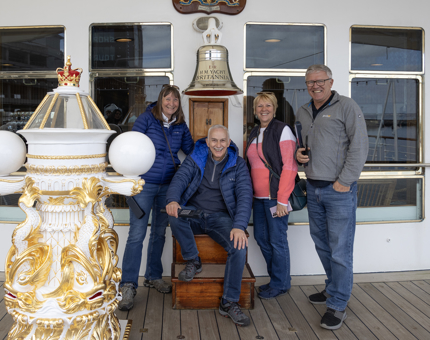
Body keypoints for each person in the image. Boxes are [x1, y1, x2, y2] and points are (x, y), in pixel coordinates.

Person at [296, 64, 368, 330]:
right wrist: (298, 155)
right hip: (313, 188)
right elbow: (301, 144)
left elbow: (359, 147)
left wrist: (344, 182)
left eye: (319, 81)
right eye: (310, 82)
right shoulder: (303, 110)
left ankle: (338, 303)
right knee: (322, 245)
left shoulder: (347, 107)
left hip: (338, 191)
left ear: (330, 81)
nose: (315, 86)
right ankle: (332, 287)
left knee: (340, 250)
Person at [166, 125, 253, 327]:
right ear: (207, 141)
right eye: (214, 140)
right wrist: (172, 199)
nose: (218, 144)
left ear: (229, 142)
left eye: (223, 140)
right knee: (173, 214)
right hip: (195, 213)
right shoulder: (196, 158)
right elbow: (180, 178)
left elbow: (245, 196)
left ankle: (229, 301)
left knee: (239, 247)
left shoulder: (238, 164)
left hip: (221, 219)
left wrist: (239, 226)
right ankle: (193, 260)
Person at [119, 84, 194, 311]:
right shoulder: (146, 119)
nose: (171, 103)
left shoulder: (180, 125)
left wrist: (216, 147)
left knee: (159, 232)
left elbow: (191, 150)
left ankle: (153, 275)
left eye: (175, 100)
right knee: (136, 235)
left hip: (168, 187)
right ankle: (129, 285)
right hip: (144, 184)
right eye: (167, 99)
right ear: (161, 99)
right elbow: (130, 147)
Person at [245, 92, 298, 300]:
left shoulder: (282, 130)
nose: (263, 109)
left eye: (268, 105)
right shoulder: (255, 131)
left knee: (277, 240)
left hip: (276, 198)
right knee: (261, 238)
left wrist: (282, 199)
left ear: (274, 108)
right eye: (259, 106)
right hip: (258, 199)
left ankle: (281, 283)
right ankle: (277, 278)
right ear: (255, 110)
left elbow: (290, 166)